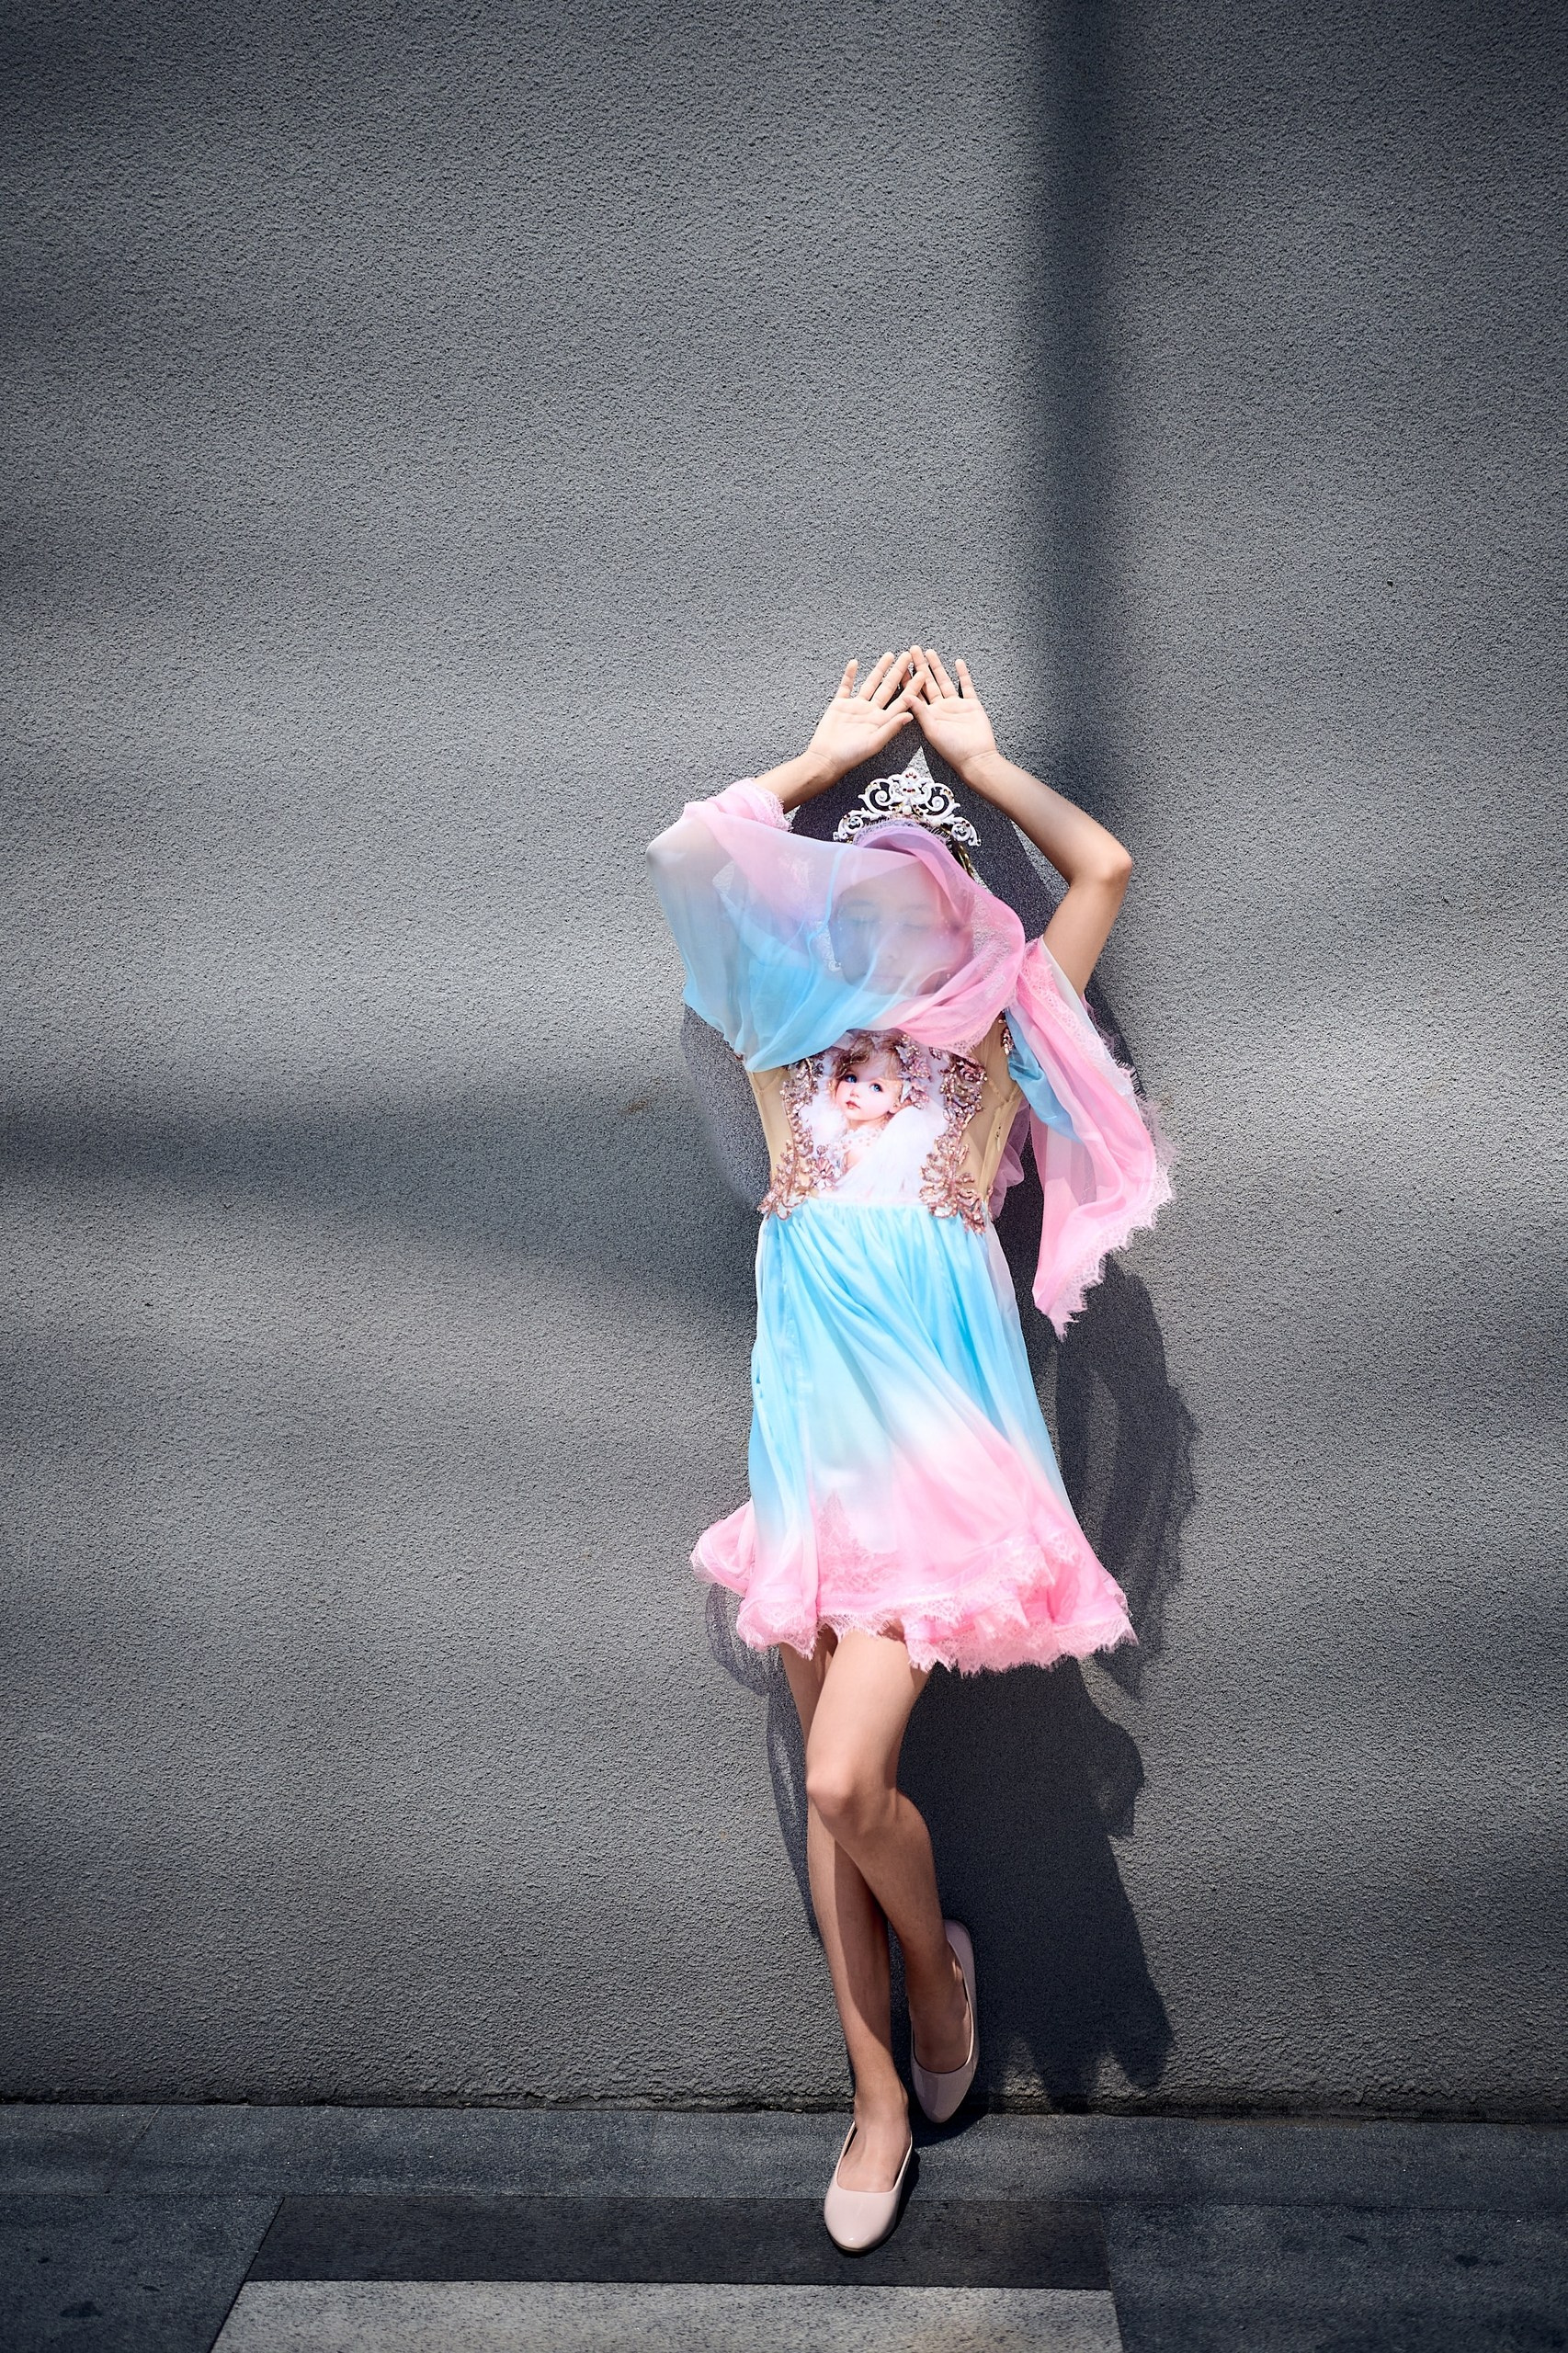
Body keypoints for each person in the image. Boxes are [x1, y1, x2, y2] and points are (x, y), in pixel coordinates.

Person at [647, 647, 1173, 2252]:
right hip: (809, 1455)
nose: (894, 929)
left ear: (959, 925)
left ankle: (940, 1981)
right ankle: (876, 2094)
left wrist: (982, 766)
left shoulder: (999, 1050)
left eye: (922, 905)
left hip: (937, 1469)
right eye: (859, 907)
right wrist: (815, 764)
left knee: (838, 1775)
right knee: (836, 1797)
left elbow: (1102, 867)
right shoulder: (777, 1044)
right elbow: (692, 857)